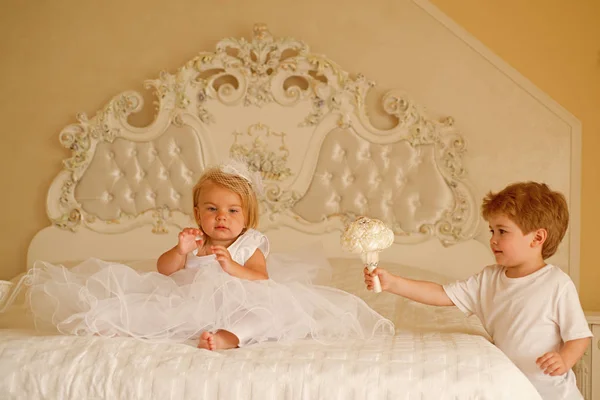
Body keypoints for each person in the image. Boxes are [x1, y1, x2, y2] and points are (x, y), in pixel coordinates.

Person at [25, 159, 394, 349]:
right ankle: (118, 323)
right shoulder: (195, 239)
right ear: (198, 213)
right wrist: (180, 249)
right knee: (154, 309)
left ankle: (229, 338)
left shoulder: (250, 243)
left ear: (247, 217)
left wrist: (232, 265)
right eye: (212, 209)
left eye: (233, 210)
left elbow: (261, 279)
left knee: (267, 315)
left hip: (242, 302)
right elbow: (165, 271)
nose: (222, 218)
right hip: (189, 300)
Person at [364, 181, 592, 399]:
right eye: (492, 231)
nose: (493, 240)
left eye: (502, 231)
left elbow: (579, 336)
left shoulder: (557, 284)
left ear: (537, 238)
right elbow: (441, 294)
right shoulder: (488, 279)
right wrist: (392, 283)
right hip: (510, 388)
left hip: (553, 392)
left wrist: (564, 359)